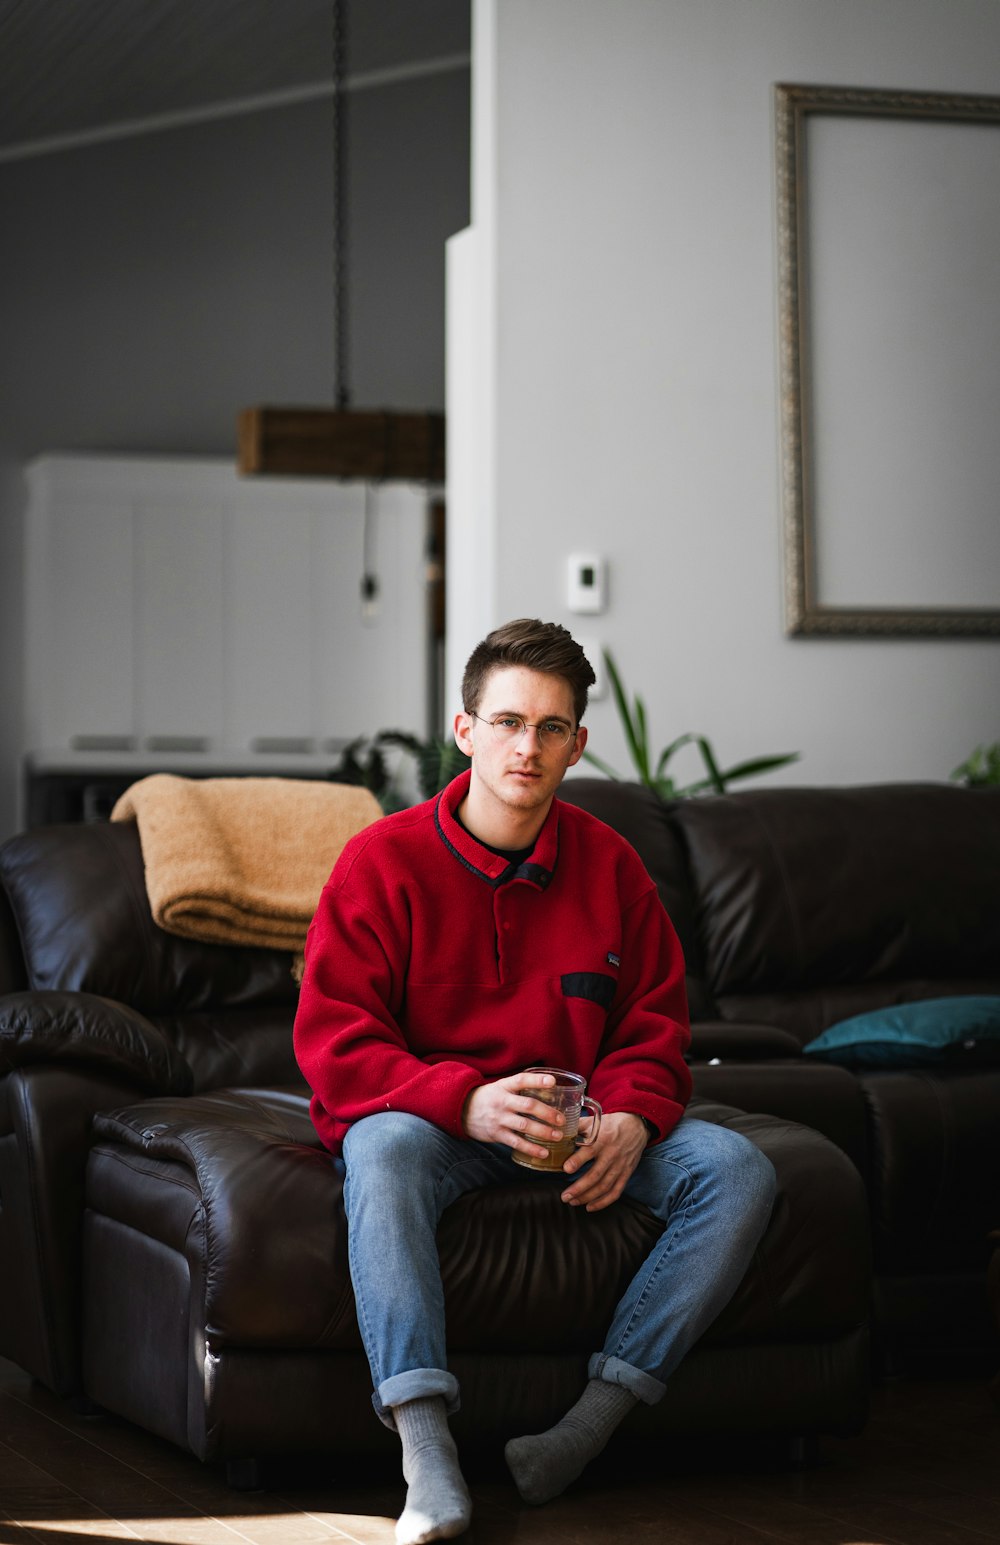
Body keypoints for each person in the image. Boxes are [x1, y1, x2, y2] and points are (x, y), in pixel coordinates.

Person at [294, 619, 776, 1545]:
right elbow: (334, 1041)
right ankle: (427, 1455)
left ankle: (582, 1431)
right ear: (466, 730)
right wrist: (461, 1101)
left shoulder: (613, 866)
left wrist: (634, 1112)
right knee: (380, 1143)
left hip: (580, 1131)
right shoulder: (381, 862)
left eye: (552, 727)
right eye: (509, 720)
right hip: (442, 1132)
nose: (529, 745)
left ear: (577, 744)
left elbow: (655, 1023)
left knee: (739, 1168)